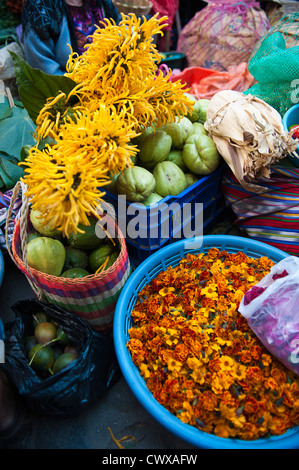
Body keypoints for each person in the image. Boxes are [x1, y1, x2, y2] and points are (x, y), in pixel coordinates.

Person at [21, 0, 122, 75]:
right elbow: (43, 69)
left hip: (109, 83)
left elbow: (121, 28)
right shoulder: (39, 8)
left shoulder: (102, 3)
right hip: (67, 92)